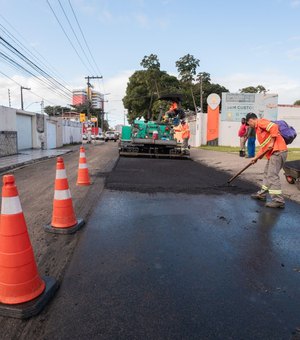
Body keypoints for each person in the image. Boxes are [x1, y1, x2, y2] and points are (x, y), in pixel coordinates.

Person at [245, 112, 288, 209]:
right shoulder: (258, 130)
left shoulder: (260, 122)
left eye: (249, 123)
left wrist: (272, 142)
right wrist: (255, 158)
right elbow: (264, 147)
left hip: (278, 151)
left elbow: (274, 126)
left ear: (251, 120)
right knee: (267, 173)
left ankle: (278, 200)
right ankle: (262, 194)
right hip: (274, 153)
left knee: (272, 175)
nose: (249, 126)